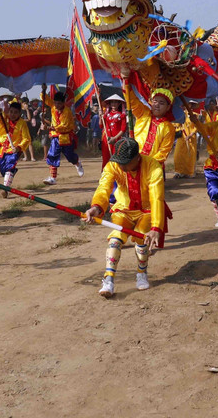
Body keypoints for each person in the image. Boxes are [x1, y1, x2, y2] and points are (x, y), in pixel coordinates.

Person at [84, 137, 165, 298]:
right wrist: (96, 207)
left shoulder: (153, 167)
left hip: (146, 211)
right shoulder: (113, 165)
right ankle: (108, 280)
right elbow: (104, 188)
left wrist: (156, 228)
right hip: (123, 210)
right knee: (115, 239)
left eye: (125, 162)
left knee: (142, 240)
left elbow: (157, 198)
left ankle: (141, 274)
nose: (121, 166)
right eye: (119, 162)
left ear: (137, 158)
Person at [123, 73, 176, 167]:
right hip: (133, 162)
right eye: (155, 101)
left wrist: (147, 164)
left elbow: (163, 152)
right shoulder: (143, 113)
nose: (157, 105)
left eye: (161, 103)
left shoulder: (169, 127)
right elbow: (131, 100)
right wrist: (125, 81)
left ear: (168, 107)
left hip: (153, 167)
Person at [41, 84, 83, 185]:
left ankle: (77, 163)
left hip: (65, 136)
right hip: (55, 136)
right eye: (55, 103)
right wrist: (43, 90)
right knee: (52, 155)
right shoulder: (53, 106)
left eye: (59, 103)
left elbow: (63, 126)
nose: (56, 105)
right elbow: (44, 99)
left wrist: (49, 127)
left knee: (70, 156)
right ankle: (53, 178)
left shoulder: (67, 112)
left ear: (63, 103)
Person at [0, 101, 31, 196]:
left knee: (10, 167)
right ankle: (11, 174)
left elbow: (26, 138)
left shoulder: (22, 123)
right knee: (3, 170)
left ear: (20, 113)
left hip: (14, 150)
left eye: (16, 112)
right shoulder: (4, 118)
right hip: (2, 149)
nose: (13, 114)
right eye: (11, 112)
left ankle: (5, 189)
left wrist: (19, 147)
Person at [173, 103, 199, 179]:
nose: (185, 105)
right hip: (182, 137)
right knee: (178, 154)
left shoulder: (194, 115)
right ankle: (179, 171)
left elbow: (197, 126)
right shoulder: (179, 114)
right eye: (183, 104)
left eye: (187, 103)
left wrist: (191, 134)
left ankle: (189, 172)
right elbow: (176, 125)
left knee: (190, 155)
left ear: (191, 105)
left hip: (191, 137)